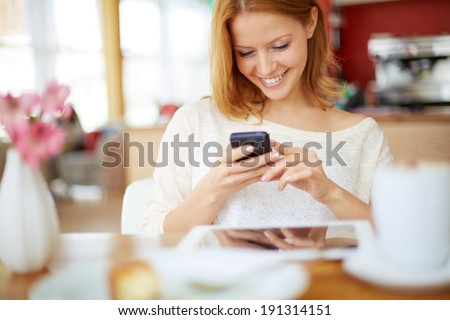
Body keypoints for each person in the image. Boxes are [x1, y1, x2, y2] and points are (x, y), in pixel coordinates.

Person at [142, 0, 393, 235]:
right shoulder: (195, 121)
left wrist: (330, 194)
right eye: (246, 53)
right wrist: (213, 190)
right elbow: (150, 235)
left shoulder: (363, 136)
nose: (265, 68)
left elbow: (400, 238)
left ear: (310, 22)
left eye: (280, 46)